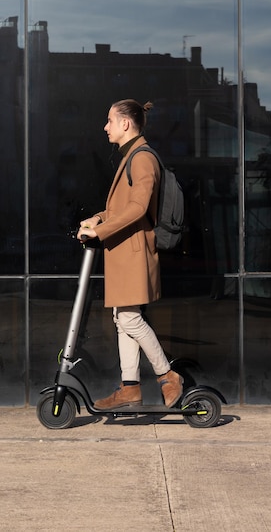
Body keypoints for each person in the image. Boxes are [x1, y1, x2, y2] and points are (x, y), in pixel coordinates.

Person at [77, 98, 183, 410]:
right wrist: (97, 218)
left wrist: (100, 231)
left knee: (130, 319)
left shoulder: (142, 158)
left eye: (109, 120)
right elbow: (119, 208)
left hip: (134, 252)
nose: (105, 127)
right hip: (125, 252)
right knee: (123, 319)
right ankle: (130, 387)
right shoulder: (131, 157)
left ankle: (168, 375)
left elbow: (137, 208)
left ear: (126, 123)